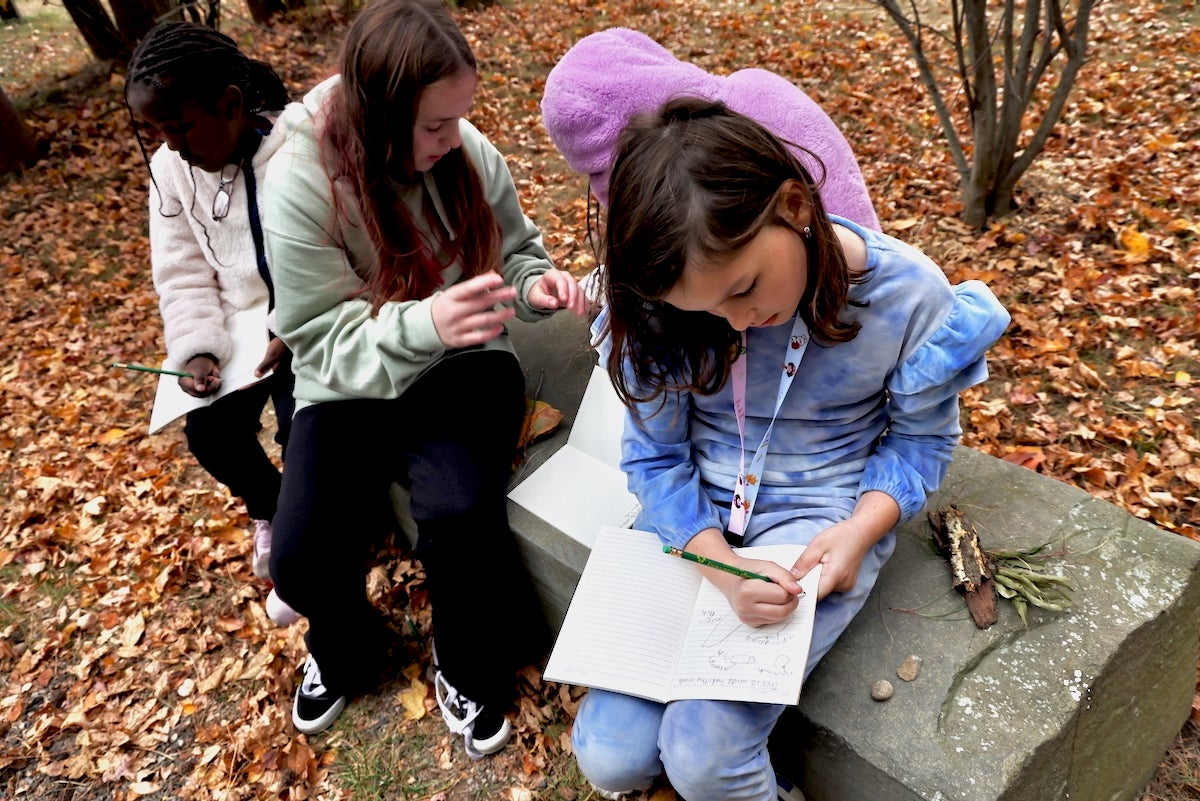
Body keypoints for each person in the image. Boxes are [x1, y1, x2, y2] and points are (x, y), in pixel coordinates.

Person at [575, 98, 1010, 801]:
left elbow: (920, 439)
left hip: (819, 522)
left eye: (744, 287)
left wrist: (859, 530)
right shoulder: (665, 305)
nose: (737, 320)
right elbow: (655, 461)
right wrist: (716, 562)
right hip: (690, 518)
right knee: (610, 755)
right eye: (706, 310)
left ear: (795, 205)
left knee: (703, 757)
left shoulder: (906, 297)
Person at [261, 0, 587, 752]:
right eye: (436, 126)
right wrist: (426, 319)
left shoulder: (463, 150)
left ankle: (465, 670)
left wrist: (534, 288)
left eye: (459, 117)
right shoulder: (300, 183)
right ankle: (346, 648)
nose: (456, 138)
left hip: (463, 361)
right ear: (379, 117)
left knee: (462, 510)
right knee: (300, 556)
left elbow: (516, 253)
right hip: (349, 377)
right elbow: (319, 337)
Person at [125, 21, 299, 626]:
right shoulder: (171, 173)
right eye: (157, 132)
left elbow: (345, 248)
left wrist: (299, 324)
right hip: (239, 323)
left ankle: (311, 528)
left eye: (179, 128)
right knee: (208, 433)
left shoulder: (299, 147)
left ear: (230, 104)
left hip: (311, 320)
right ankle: (271, 505)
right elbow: (180, 272)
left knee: (301, 431)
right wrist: (197, 350)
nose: (169, 146)